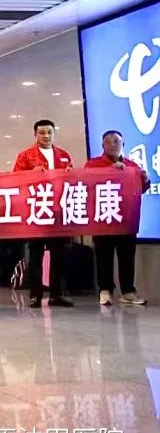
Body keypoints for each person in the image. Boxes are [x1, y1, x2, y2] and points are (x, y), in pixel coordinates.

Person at [12, 119, 75, 309]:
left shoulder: (63, 155)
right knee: (36, 254)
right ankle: (35, 295)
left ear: (54, 133)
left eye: (49, 132)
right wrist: (31, 173)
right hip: (37, 210)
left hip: (58, 211)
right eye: (42, 132)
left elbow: (72, 181)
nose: (46, 136)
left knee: (59, 254)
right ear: (35, 134)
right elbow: (15, 180)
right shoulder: (25, 156)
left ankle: (57, 294)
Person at [86, 130, 149, 306]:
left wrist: (144, 180)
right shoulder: (92, 165)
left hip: (126, 219)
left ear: (123, 145)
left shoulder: (132, 166)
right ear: (102, 145)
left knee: (127, 256)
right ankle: (105, 290)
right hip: (103, 219)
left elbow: (140, 190)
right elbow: (88, 184)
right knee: (103, 256)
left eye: (116, 141)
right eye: (108, 141)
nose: (112, 145)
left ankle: (128, 291)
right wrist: (111, 171)